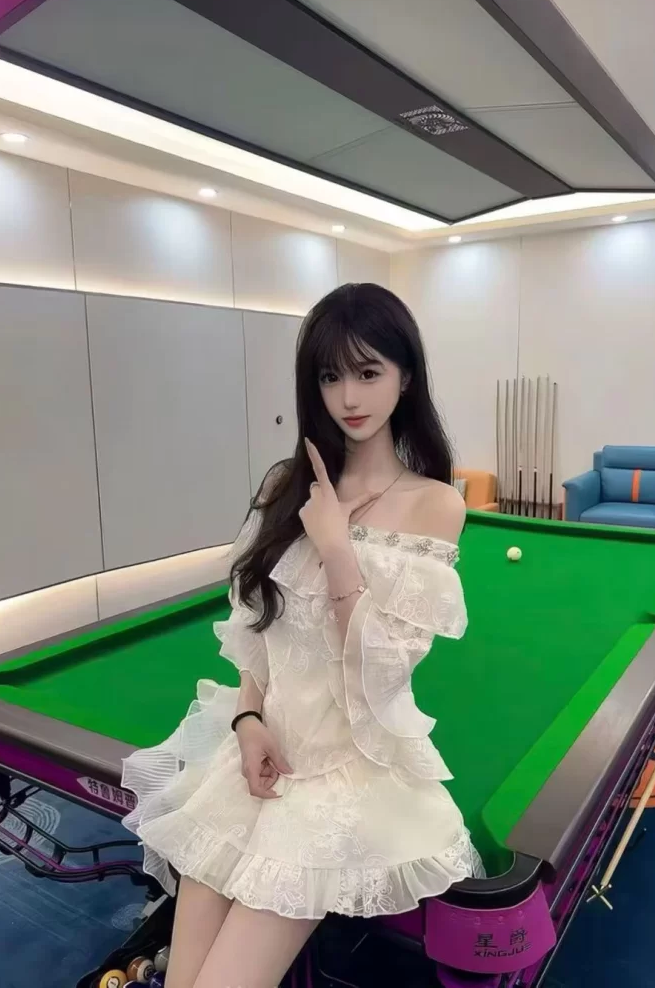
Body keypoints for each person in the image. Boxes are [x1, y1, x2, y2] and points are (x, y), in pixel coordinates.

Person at [121, 283, 483, 988]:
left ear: (406, 377)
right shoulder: (286, 486)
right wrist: (248, 717)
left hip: (341, 778)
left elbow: (382, 674)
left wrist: (338, 548)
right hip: (255, 764)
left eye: (368, 372)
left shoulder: (436, 505)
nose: (349, 395)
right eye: (329, 375)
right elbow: (258, 630)